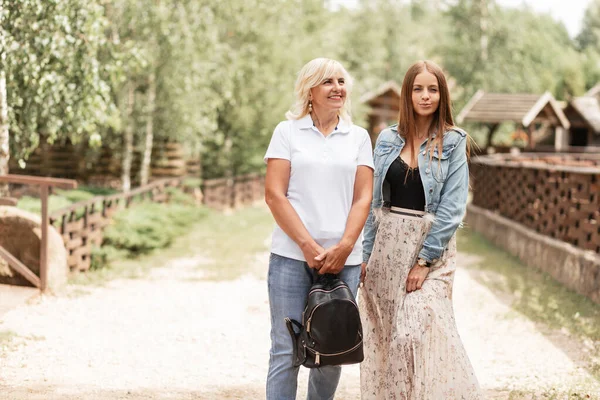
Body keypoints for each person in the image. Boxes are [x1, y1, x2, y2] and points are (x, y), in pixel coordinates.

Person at [359, 60, 482, 399]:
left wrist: (425, 260)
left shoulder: (454, 141)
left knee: (412, 332)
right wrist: (365, 255)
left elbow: (453, 208)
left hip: (430, 253)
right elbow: (373, 206)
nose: (425, 96)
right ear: (407, 93)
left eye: (432, 89)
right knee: (385, 340)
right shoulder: (386, 139)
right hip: (386, 251)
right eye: (418, 89)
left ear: (442, 95)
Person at [263, 58, 374, 399]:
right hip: (291, 258)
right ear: (310, 90)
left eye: (341, 81)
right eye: (328, 81)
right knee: (286, 349)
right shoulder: (287, 132)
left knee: (332, 351)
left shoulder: (358, 137)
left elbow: (363, 198)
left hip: (345, 262)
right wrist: (309, 247)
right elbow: (274, 195)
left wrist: (343, 248)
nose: (337, 88)